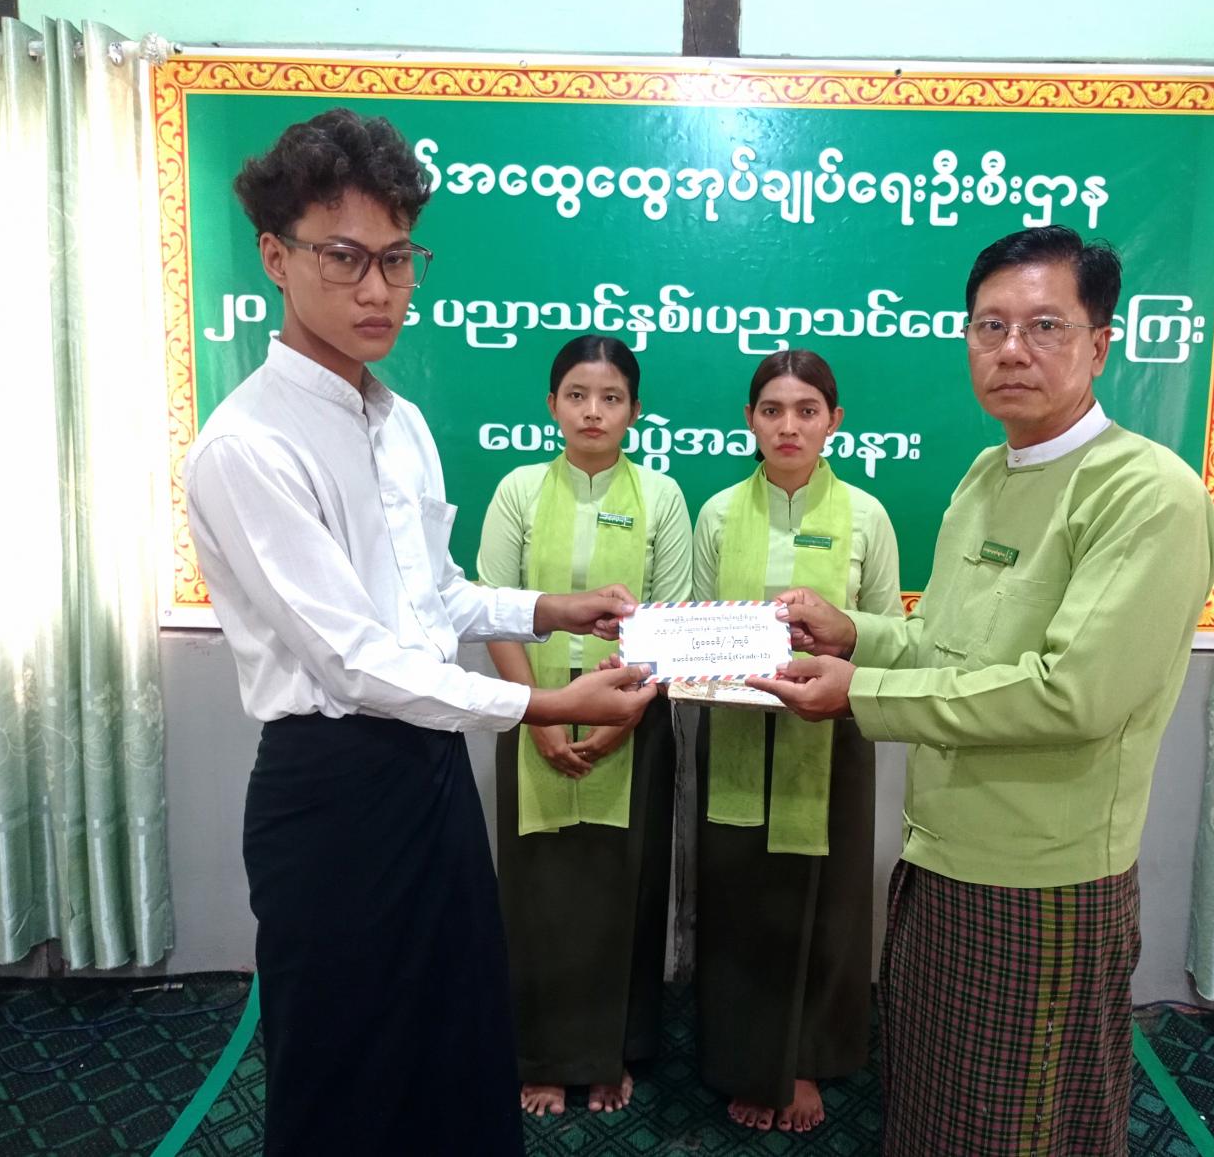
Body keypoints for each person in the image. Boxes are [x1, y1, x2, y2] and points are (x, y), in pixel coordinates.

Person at [183, 110, 656, 1157]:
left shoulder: (401, 422)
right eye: (344, 257)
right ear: (275, 256)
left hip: (432, 772)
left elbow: (432, 597)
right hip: (332, 790)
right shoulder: (247, 446)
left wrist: (551, 609)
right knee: (344, 1067)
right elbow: (354, 661)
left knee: (456, 1038)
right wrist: (544, 700)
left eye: (397, 258)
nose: (378, 289)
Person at [750, 226, 1214, 1155]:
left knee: (1026, 1124)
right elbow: (944, 642)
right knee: (934, 1108)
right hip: (939, 856)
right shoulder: (985, 473)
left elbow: (1069, 694)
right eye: (989, 326)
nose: (1012, 349)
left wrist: (859, 695)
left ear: (1100, 344)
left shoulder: (1146, 495)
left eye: (1045, 325)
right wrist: (856, 633)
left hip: (1045, 877)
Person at [476, 334, 692, 1118]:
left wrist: (619, 719)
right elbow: (495, 609)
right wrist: (539, 712)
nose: (592, 411)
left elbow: (668, 623)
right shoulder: (518, 490)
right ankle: (541, 1055)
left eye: (610, 397)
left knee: (621, 885)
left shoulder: (662, 496)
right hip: (529, 708)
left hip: (635, 716)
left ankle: (610, 1054)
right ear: (551, 405)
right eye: (576, 395)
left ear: (635, 409)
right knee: (539, 892)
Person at [692, 349, 902, 1134]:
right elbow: (698, 630)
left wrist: (837, 644)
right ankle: (747, 1055)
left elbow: (888, 631)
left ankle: (806, 1057)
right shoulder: (717, 513)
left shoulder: (867, 516)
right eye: (772, 410)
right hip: (736, 731)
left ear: (833, 421)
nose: (789, 426)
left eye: (807, 410)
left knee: (828, 898)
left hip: (832, 730)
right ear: (749, 419)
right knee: (740, 896)